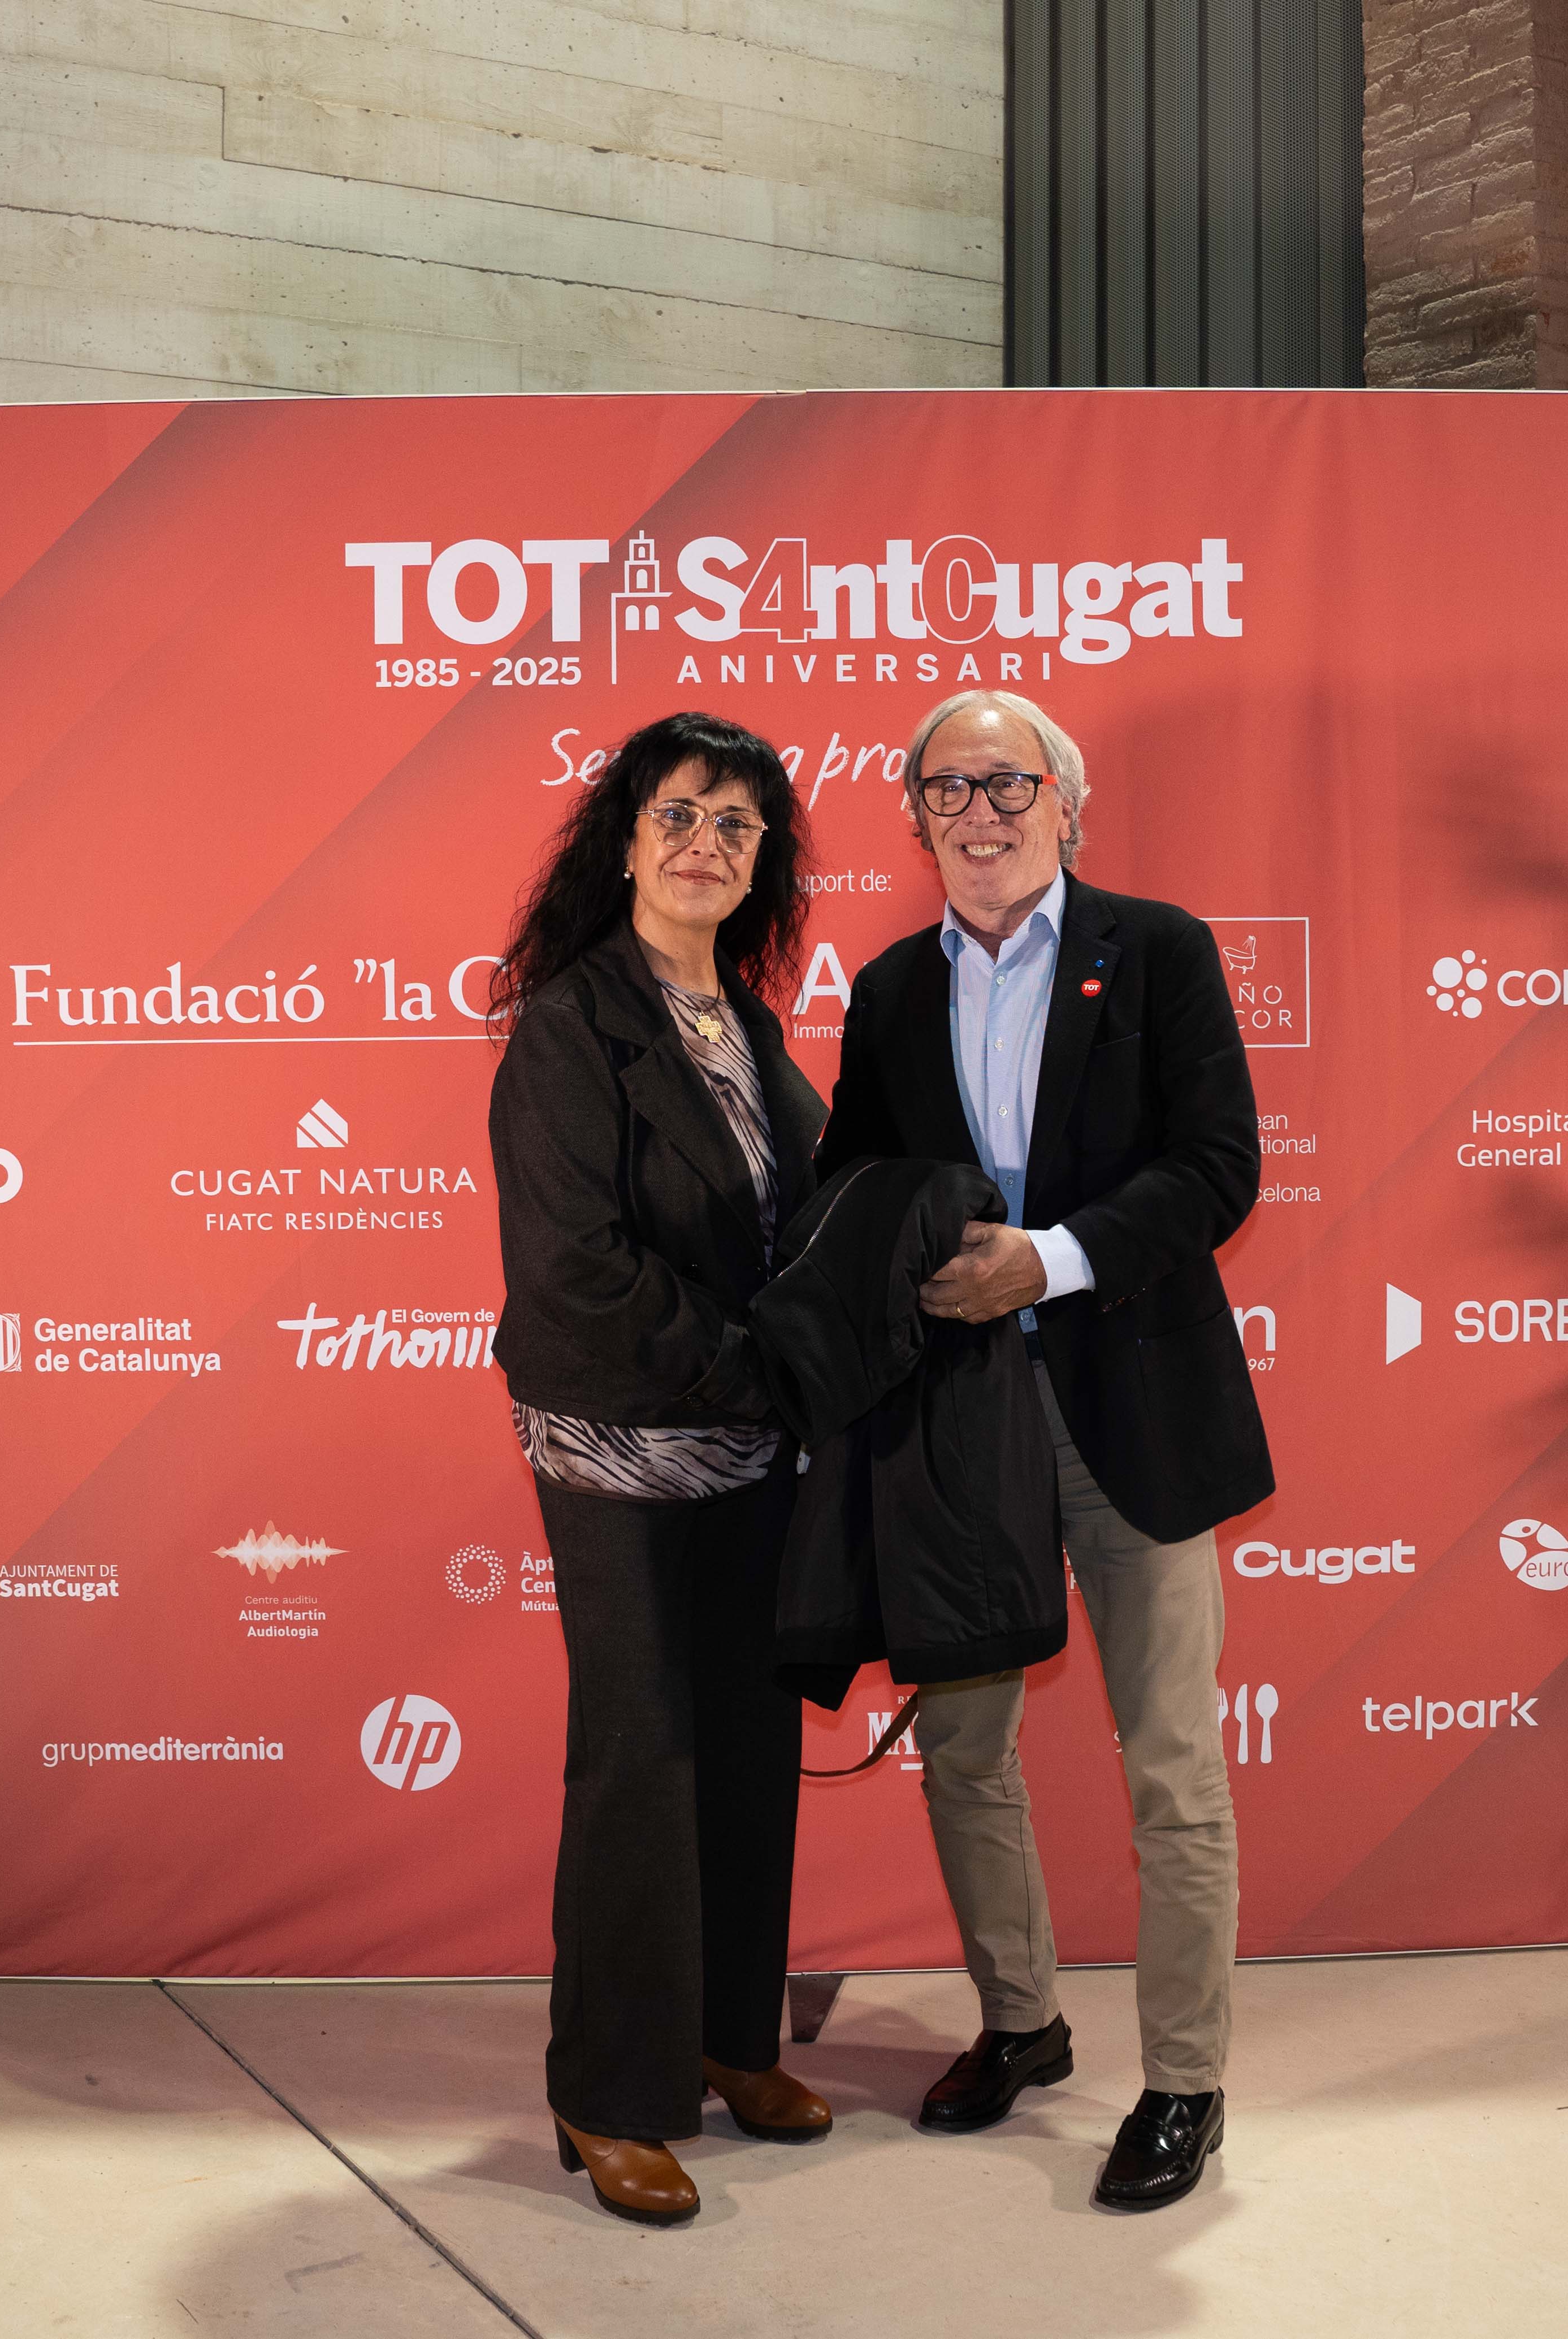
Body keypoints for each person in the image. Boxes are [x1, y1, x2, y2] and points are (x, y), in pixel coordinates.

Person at [814, 688, 1274, 2213]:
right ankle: (1022, 2022)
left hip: (1132, 1413)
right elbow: (851, 1192)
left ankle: (1187, 2080)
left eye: (1012, 781)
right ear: (920, 819)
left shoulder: (1159, 952)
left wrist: (1054, 1260)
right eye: (951, 788)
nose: (984, 810)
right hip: (958, 1434)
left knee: (1172, 1764)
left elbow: (1218, 1169)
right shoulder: (885, 993)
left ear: (1068, 802)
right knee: (961, 1747)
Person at [486, 709, 837, 2227]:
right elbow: (574, 1273)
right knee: (647, 1758)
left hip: (754, 1447)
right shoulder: (571, 1028)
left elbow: (804, 1223)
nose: (707, 844)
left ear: (764, 865)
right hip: (620, 1447)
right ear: (625, 835)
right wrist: (769, 1359)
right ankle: (609, 2092)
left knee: (753, 1750)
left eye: (738, 827)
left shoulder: (750, 1027)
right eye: (680, 814)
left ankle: (725, 2038)